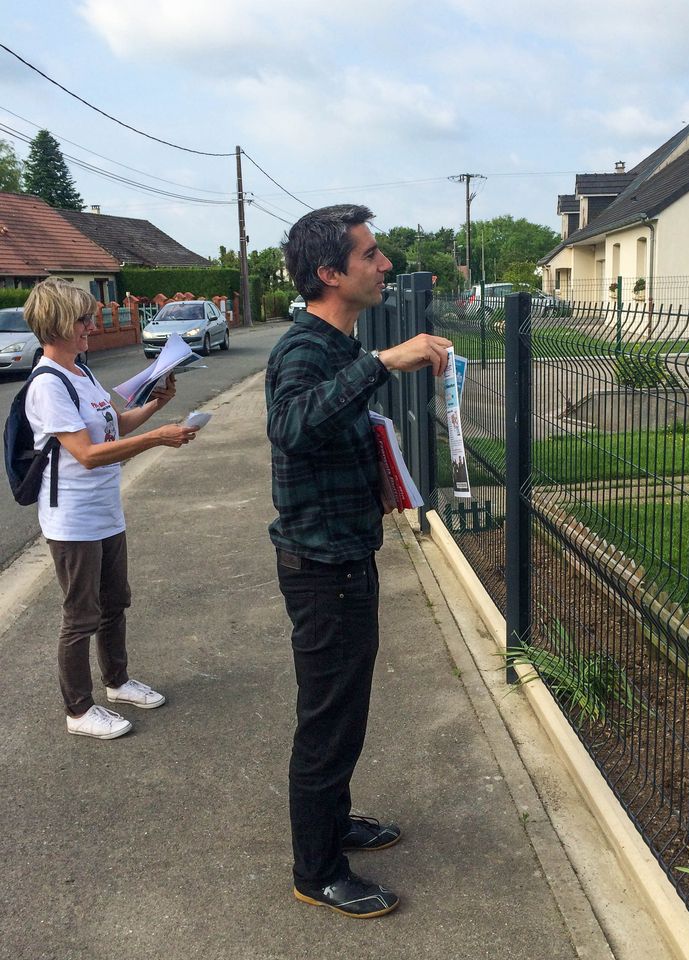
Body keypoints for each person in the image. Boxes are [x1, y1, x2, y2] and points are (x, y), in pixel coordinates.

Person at [266, 204, 452, 918]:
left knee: (345, 712)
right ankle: (316, 869)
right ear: (329, 273)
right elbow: (289, 426)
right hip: (321, 568)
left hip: (346, 555)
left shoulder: (337, 344)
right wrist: (381, 361)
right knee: (327, 720)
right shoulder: (302, 350)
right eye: (370, 255)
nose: (385, 265)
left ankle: (334, 823)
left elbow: (342, 424)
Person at [23, 278, 198, 741]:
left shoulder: (82, 372)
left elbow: (111, 426)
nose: (90, 325)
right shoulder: (48, 383)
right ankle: (78, 710)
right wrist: (158, 439)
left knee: (115, 602)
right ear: (57, 324)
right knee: (80, 615)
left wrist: (157, 406)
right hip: (72, 517)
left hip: (103, 509)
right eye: (82, 319)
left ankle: (117, 682)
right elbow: (86, 453)